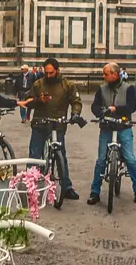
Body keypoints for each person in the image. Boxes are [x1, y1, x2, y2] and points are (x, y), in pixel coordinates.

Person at [21, 58, 85, 201]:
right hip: (40, 123)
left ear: (57, 70)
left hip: (58, 124)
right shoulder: (38, 84)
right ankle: (30, 185)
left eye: (51, 72)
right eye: (46, 72)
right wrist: (38, 100)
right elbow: (28, 100)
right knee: (34, 155)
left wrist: (75, 114)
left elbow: (76, 101)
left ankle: (66, 186)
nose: (48, 75)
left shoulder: (67, 85)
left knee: (61, 154)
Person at [88, 62, 136, 205]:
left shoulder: (128, 88)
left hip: (123, 127)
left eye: (106, 74)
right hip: (106, 127)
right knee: (101, 160)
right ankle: (95, 192)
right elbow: (95, 105)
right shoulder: (102, 89)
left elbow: (132, 107)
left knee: (130, 158)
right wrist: (99, 111)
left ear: (115, 74)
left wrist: (115, 109)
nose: (103, 76)